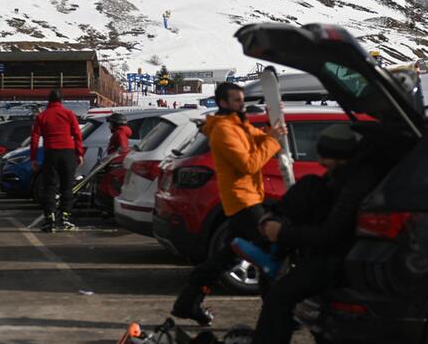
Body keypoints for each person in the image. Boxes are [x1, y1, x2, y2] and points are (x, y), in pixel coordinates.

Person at [240, 124, 406, 344]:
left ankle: (272, 250)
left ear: (340, 157)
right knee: (309, 185)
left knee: (279, 297)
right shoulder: (343, 176)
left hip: (337, 258)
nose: (320, 162)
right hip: (328, 249)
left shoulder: (356, 184)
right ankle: (270, 250)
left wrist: (284, 233)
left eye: (324, 156)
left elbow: (330, 234)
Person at [171, 82, 283, 326]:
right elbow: (248, 164)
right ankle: (275, 314)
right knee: (268, 255)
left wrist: (273, 126)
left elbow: (261, 140)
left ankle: (188, 302)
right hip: (242, 200)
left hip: (249, 197)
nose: (241, 104)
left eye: (241, 100)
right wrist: (273, 142)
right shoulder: (224, 130)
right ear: (222, 102)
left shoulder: (238, 125)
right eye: (236, 101)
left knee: (227, 257)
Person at [31, 89, 84, 232]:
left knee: (49, 186)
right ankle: (65, 218)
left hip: (51, 153)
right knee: (67, 186)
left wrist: (33, 157)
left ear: (49, 101)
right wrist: (79, 153)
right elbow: (77, 134)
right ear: (61, 101)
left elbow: (35, 138)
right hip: (68, 152)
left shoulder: (42, 116)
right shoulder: (69, 114)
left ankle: (50, 219)